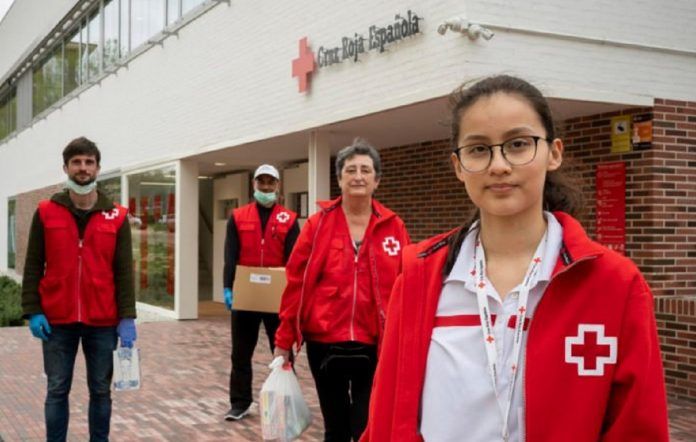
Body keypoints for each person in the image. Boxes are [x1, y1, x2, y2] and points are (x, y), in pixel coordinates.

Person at [361, 75, 669, 441]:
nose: (499, 165)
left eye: (518, 144)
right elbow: (387, 412)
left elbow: (638, 427)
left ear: (554, 153)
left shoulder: (614, 284)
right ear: (458, 166)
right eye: (478, 149)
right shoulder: (420, 275)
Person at [274, 138, 411, 442]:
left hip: (376, 340)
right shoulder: (318, 224)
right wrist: (284, 339)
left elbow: (407, 284)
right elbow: (296, 282)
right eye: (350, 170)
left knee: (365, 425)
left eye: (366, 169)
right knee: (335, 426)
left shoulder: (394, 226)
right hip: (324, 340)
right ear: (339, 179)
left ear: (376, 180)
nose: (358, 176)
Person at [21, 136, 137, 442]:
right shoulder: (46, 211)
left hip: (103, 321)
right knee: (57, 389)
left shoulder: (117, 216)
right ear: (66, 167)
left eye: (88, 162)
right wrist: (33, 310)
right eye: (76, 162)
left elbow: (124, 271)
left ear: (98, 168)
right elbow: (33, 264)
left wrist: (127, 317)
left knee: (100, 390)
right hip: (57, 321)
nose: (83, 168)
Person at [223, 164, 300, 421]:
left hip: (277, 298)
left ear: (278, 186)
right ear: (254, 185)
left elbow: (295, 261)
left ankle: (285, 403)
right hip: (246, 295)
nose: (266, 187)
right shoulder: (238, 216)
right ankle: (240, 402)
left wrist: (293, 296)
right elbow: (230, 255)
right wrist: (227, 286)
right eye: (261, 182)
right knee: (240, 353)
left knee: (281, 351)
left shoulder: (288, 219)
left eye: (270, 183)